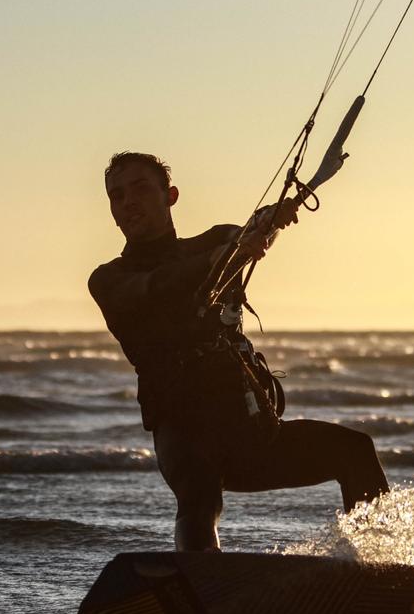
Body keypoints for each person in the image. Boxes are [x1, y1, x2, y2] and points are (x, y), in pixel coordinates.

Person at [89, 151, 389, 551]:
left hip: (250, 432)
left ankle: (378, 565)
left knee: (355, 450)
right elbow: (157, 286)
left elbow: (245, 233)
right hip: (184, 435)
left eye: (141, 189)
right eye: (117, 196)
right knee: (199, 499)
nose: (128, 201)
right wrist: (224, 255)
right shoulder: (110, 279)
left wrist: (271, 220)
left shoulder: (216, 240)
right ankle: (200, 587)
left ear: (170, 196)